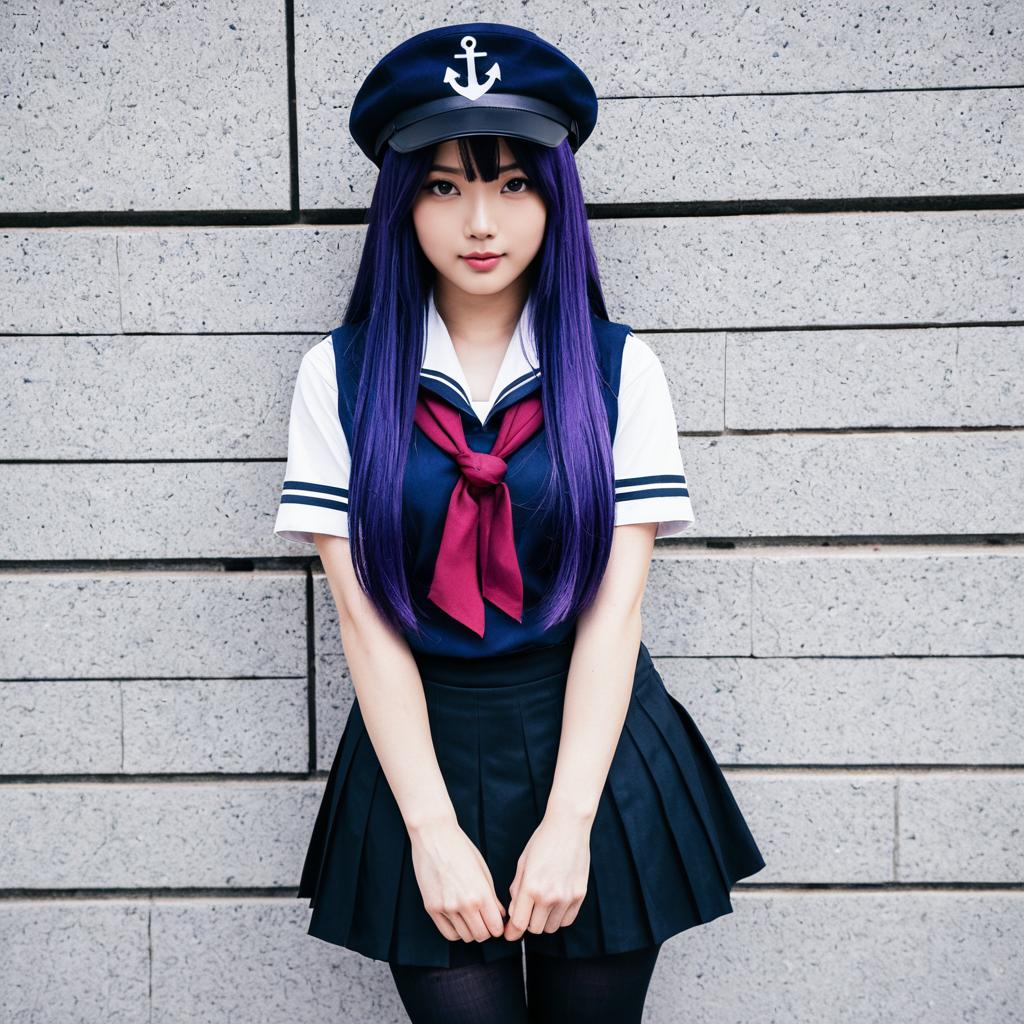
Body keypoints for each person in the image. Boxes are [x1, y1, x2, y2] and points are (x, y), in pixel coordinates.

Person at [273, 22, 766, 1024]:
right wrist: (430, 829)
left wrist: (572, 820)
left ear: (555, 196)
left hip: (595, 741)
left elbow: (615, 611)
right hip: (424, 746)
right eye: (445, 185)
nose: (480, 220)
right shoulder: (341, 373)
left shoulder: (622, 369)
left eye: (512, 183)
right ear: (403, 201)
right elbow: (363, 622)